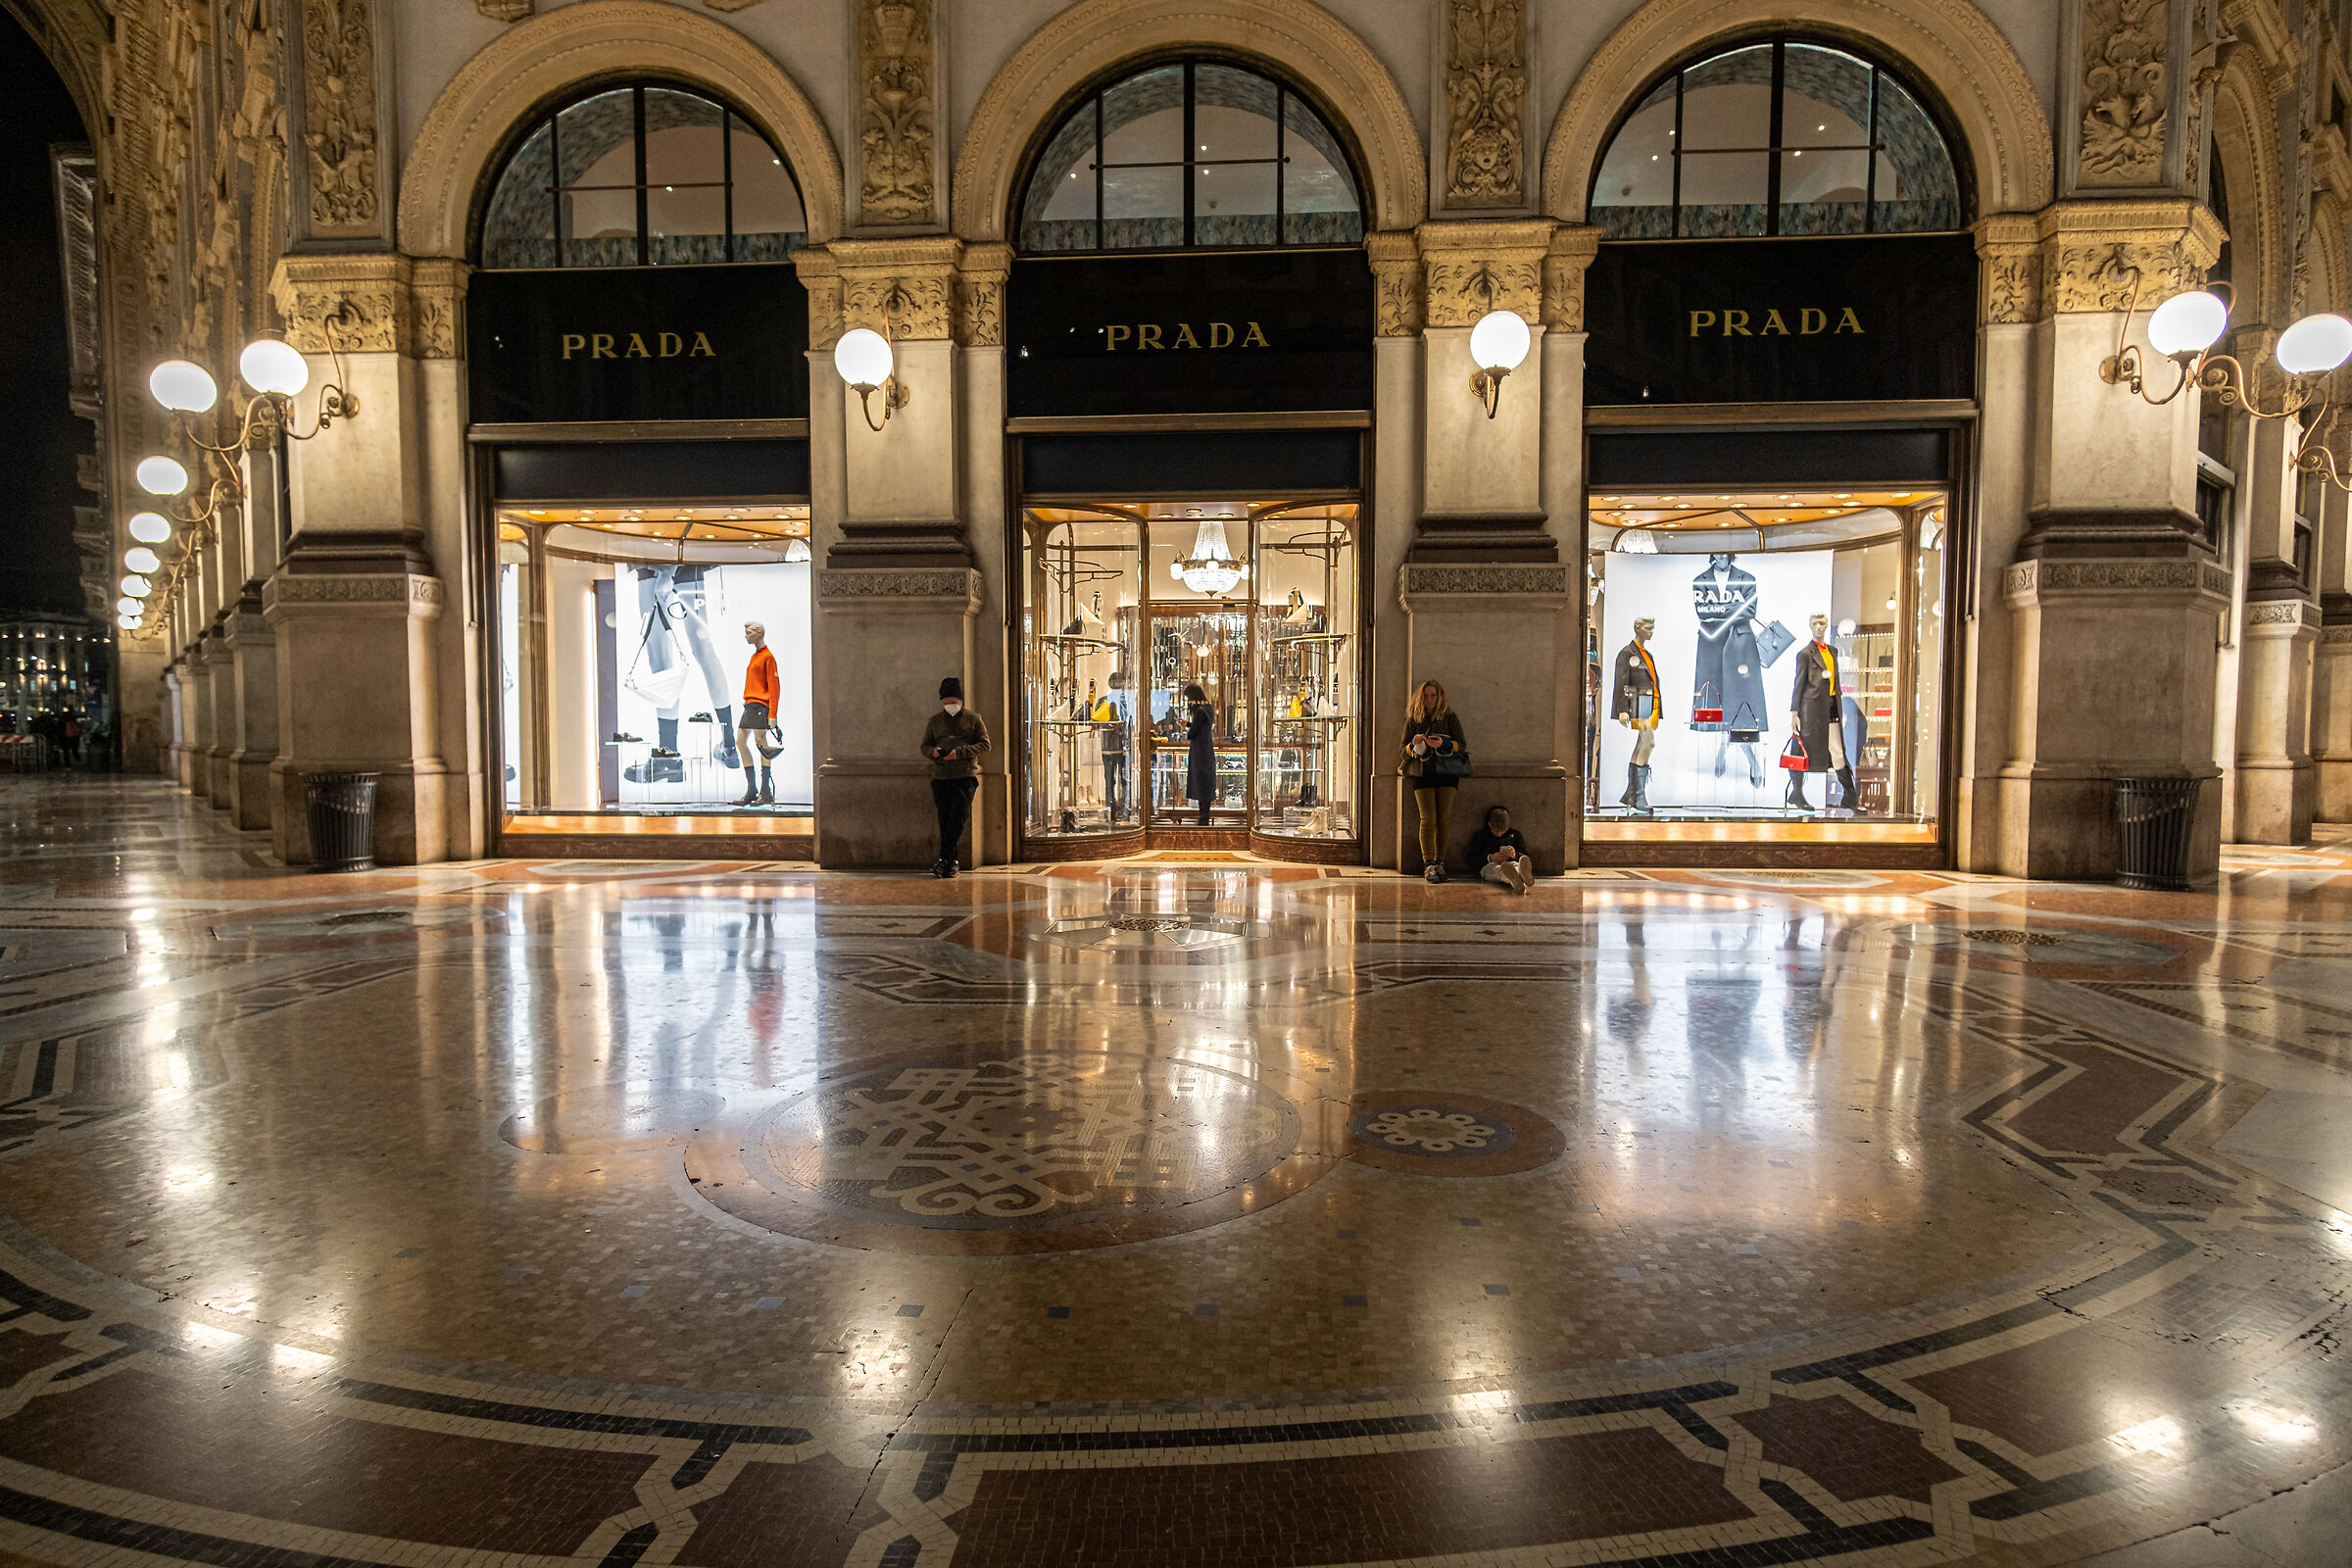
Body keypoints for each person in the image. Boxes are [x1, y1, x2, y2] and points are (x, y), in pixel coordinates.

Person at [921, 677, 990, 877]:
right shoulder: (934, 721)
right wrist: (933, 752)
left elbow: (985, 744)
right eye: (947, 701)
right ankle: (952, 863)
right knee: (945, 819)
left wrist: (960, 752)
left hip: (964, 776)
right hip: (941, 777)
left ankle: (944, 858)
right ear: (942, 701)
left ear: (961, 700)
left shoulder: (974, 719)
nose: (951, 705)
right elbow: (924, 745)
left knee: (958, 818)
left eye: (954, 701)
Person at [1787, 612, 1855, 812]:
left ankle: (1850, 796)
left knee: (1837, 750)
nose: (1819, 627)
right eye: (1815, 623)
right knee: (1802, 750)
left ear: (1826, 626)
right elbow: (1798, 684)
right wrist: (1795, 712)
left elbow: (1835, 681)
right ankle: (1797, 793)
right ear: (1810, 625)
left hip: (1831, 705)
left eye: (1822, 623)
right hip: (1811, 710)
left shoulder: (1832, 651)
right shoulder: (1805, 654)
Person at [1402, 678, 1467, 882]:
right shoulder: (1414, 719)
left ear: (1440, 697)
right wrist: (1414, 745)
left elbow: (1462, 745)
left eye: (1433, 695)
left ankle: (1440, 863)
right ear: (1420, 698)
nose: (1430, 699)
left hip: (1447, 772)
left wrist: (1443, 744)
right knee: (1427, 819)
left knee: (1443, 819)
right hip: (1423, 772)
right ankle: (1428, 864)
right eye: (1426, 696)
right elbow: (1402, 749)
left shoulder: (1449, 717)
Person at [1610, 616, 1660, 814]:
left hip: (1650, 704)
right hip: (1639, 704)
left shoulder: (1646, 654)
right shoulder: (1627, 653)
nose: (1651, 631)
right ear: (1638, 629)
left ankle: (1631, 794)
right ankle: (1638, 796)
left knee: (1641, 744)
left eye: (1653, 628)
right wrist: (1622, 709)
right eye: (1648, 628)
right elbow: (1620, 682)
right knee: (1649, 744)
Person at [735, 621, 780, 807]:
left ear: (759, 633)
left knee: (761, 745)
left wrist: (773, 713)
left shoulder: (768, 657)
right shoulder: (755, 657)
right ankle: (752, 789)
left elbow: (774, 687)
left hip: (761, 706)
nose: (746, 636)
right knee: (740, 741)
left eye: (749, 633)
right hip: (750, 705)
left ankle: (765, 791)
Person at [1465, 805, 1534, 894]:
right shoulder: (1481, 836)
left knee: (1516, 866)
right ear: (1489, 824)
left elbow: (1526, 856)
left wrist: (1515, 855)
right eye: (1496, 830)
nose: (1500, 833)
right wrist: (1490, 858)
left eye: (1503, 830)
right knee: (1497, 869)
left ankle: (1521, 875)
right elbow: (1471, 859)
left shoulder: (1515, 834)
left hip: (1511, 863)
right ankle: (1517, 879)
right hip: (1488, 866)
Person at [1100, 670, 1133, 820]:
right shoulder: (1128, 701)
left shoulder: (1104, 700)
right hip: (1120, 747)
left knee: (1111, 780)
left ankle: (1112, 813)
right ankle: (1123, 812)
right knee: (1124, 780)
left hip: (1110, 747)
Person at [1184, 682, 1216, 826]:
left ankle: (1203, 818)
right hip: (1206, 750)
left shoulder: (1199, 712)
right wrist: (1187, 724)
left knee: (1200, 783)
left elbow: (1191, 734)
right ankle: (1205, 817)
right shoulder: (1208, 709)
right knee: (1205, 783)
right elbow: (1201, 727)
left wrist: (1187, 728)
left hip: (1199, 752)